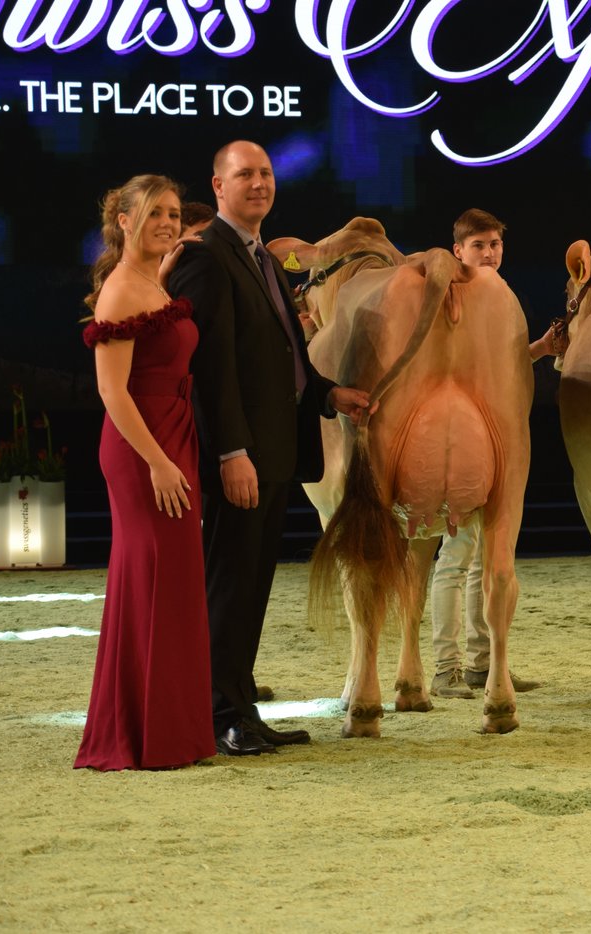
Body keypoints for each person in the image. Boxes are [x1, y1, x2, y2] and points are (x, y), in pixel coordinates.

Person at [167, 141, 374, 755]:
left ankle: (241, 708)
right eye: (244, 175)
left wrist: (331, 394)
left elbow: (285, 356)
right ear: (219, 185)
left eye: (265, 173)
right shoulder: (207, 258)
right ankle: (218, 715)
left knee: (252, 586)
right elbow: (210, 370)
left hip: (279, 452)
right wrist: (231, 453)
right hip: (242, 458)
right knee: (229, 585)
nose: (258, 183)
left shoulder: (260, 255)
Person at [75, 174, 214, 770]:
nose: (167, 221)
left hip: (174, 438)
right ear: (125, 221)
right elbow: (112, 391)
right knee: (152, 579)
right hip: (142, 450)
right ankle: (138, 735)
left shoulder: (151, 281)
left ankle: (172, 732)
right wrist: (157, 462)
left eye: (174, 213)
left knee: (175, 583)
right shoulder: (119, 292)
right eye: (154, 212)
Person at [428, 208, 545, 698]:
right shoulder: (445, 296)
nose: (489, 252)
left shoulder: (501, 297)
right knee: (455, 556)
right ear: (458, 251)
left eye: (494, 243)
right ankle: (443, 667)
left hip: (497, 437)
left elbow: (503, 364)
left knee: (484, 557)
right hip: (459, 440)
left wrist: (539, 348)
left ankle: (480, 663)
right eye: (478, 245)